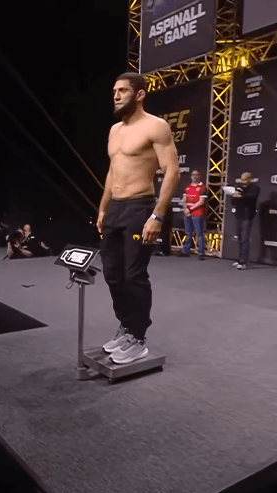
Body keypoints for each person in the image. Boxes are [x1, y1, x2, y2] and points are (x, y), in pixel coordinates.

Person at [98, 72, 180, 365]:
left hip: (140, 207)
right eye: (114, 91)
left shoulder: (156, 126)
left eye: (122, 90)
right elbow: (113, 172)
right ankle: (126, 326)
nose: (116, 95)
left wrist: (158, 214)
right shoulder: (114, 131)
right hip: (116, 209)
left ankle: (138, 338)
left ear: (140, 94)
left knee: (134, 274)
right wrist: (103, 208)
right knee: (112, 274)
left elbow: (172, 171)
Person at [231, 172, 260, 270]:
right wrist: (234, 196)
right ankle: (239, 258)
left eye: (245, 179)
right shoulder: (239, 188)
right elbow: (233, 202)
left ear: (250, 179)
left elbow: (251, 197)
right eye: (242, 179)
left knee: (244, 238)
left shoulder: (254, 188)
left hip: (247, 216)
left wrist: (241, 196)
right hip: (239, 215)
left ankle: (243, 261)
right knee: (239, 238)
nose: (243, 181)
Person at [181, 170, 209, 260]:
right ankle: (186, 251)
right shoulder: (187, 187)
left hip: (198, 212)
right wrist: (185, 208)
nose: (195, 177)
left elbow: (201, 201)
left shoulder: (203, 187)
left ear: (200, 176)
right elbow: (184, 199)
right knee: (188, 232)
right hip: (187, 212)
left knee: (199, 233)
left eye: (197, 175)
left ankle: (201, 252)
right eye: (193, 175)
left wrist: (190, 209)